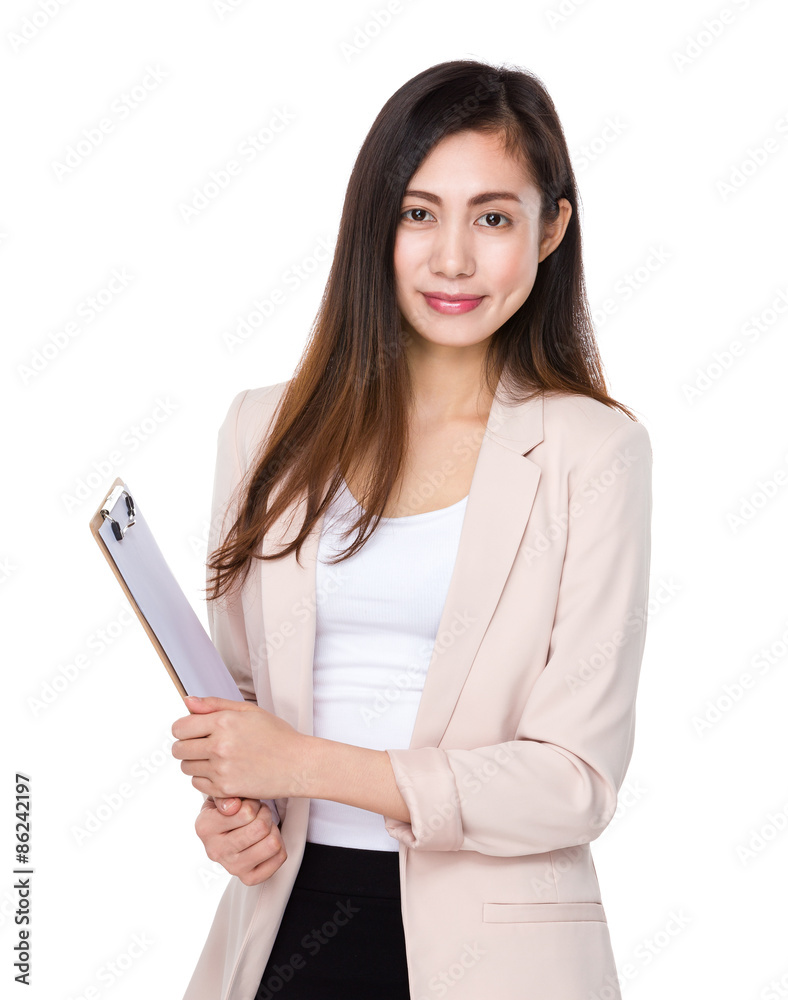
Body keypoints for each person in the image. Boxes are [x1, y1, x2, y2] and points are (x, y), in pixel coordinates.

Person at [170, 58, 653, 1000]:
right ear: (374, 224)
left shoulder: (595, 452)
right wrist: (234, 806)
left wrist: (304, 764)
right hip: (283, 928)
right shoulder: (263, 430)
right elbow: (235, 696)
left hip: (500, 958)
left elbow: (574, 782)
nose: (453, 260)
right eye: (419, 213)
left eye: (494, 218)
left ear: (552, 229)